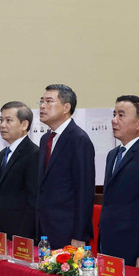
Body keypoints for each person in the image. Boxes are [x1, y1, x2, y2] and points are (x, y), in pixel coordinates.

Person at [98, 95, 139, 267]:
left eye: (121, 115)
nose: (114, 120)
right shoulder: (113, 155)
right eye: (114, 114)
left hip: (133, 248)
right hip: (108, 243)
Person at [35, 84, 95, 248]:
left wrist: (79, 235)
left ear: (66, 107)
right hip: (45, 229)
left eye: (49, 101)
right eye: (41, 102)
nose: (42, 106)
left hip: (68, 231)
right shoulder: (45, 139)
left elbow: (84, 191)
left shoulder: (78, 139)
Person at [0, 101, 39, 240]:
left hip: (21, 234)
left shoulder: (34, 154)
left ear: (24, 124)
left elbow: (33, 200)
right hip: (1, 229)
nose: (2, 125)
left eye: (8, 120)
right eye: (1, 120)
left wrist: (23, 236)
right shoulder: (2, 154)